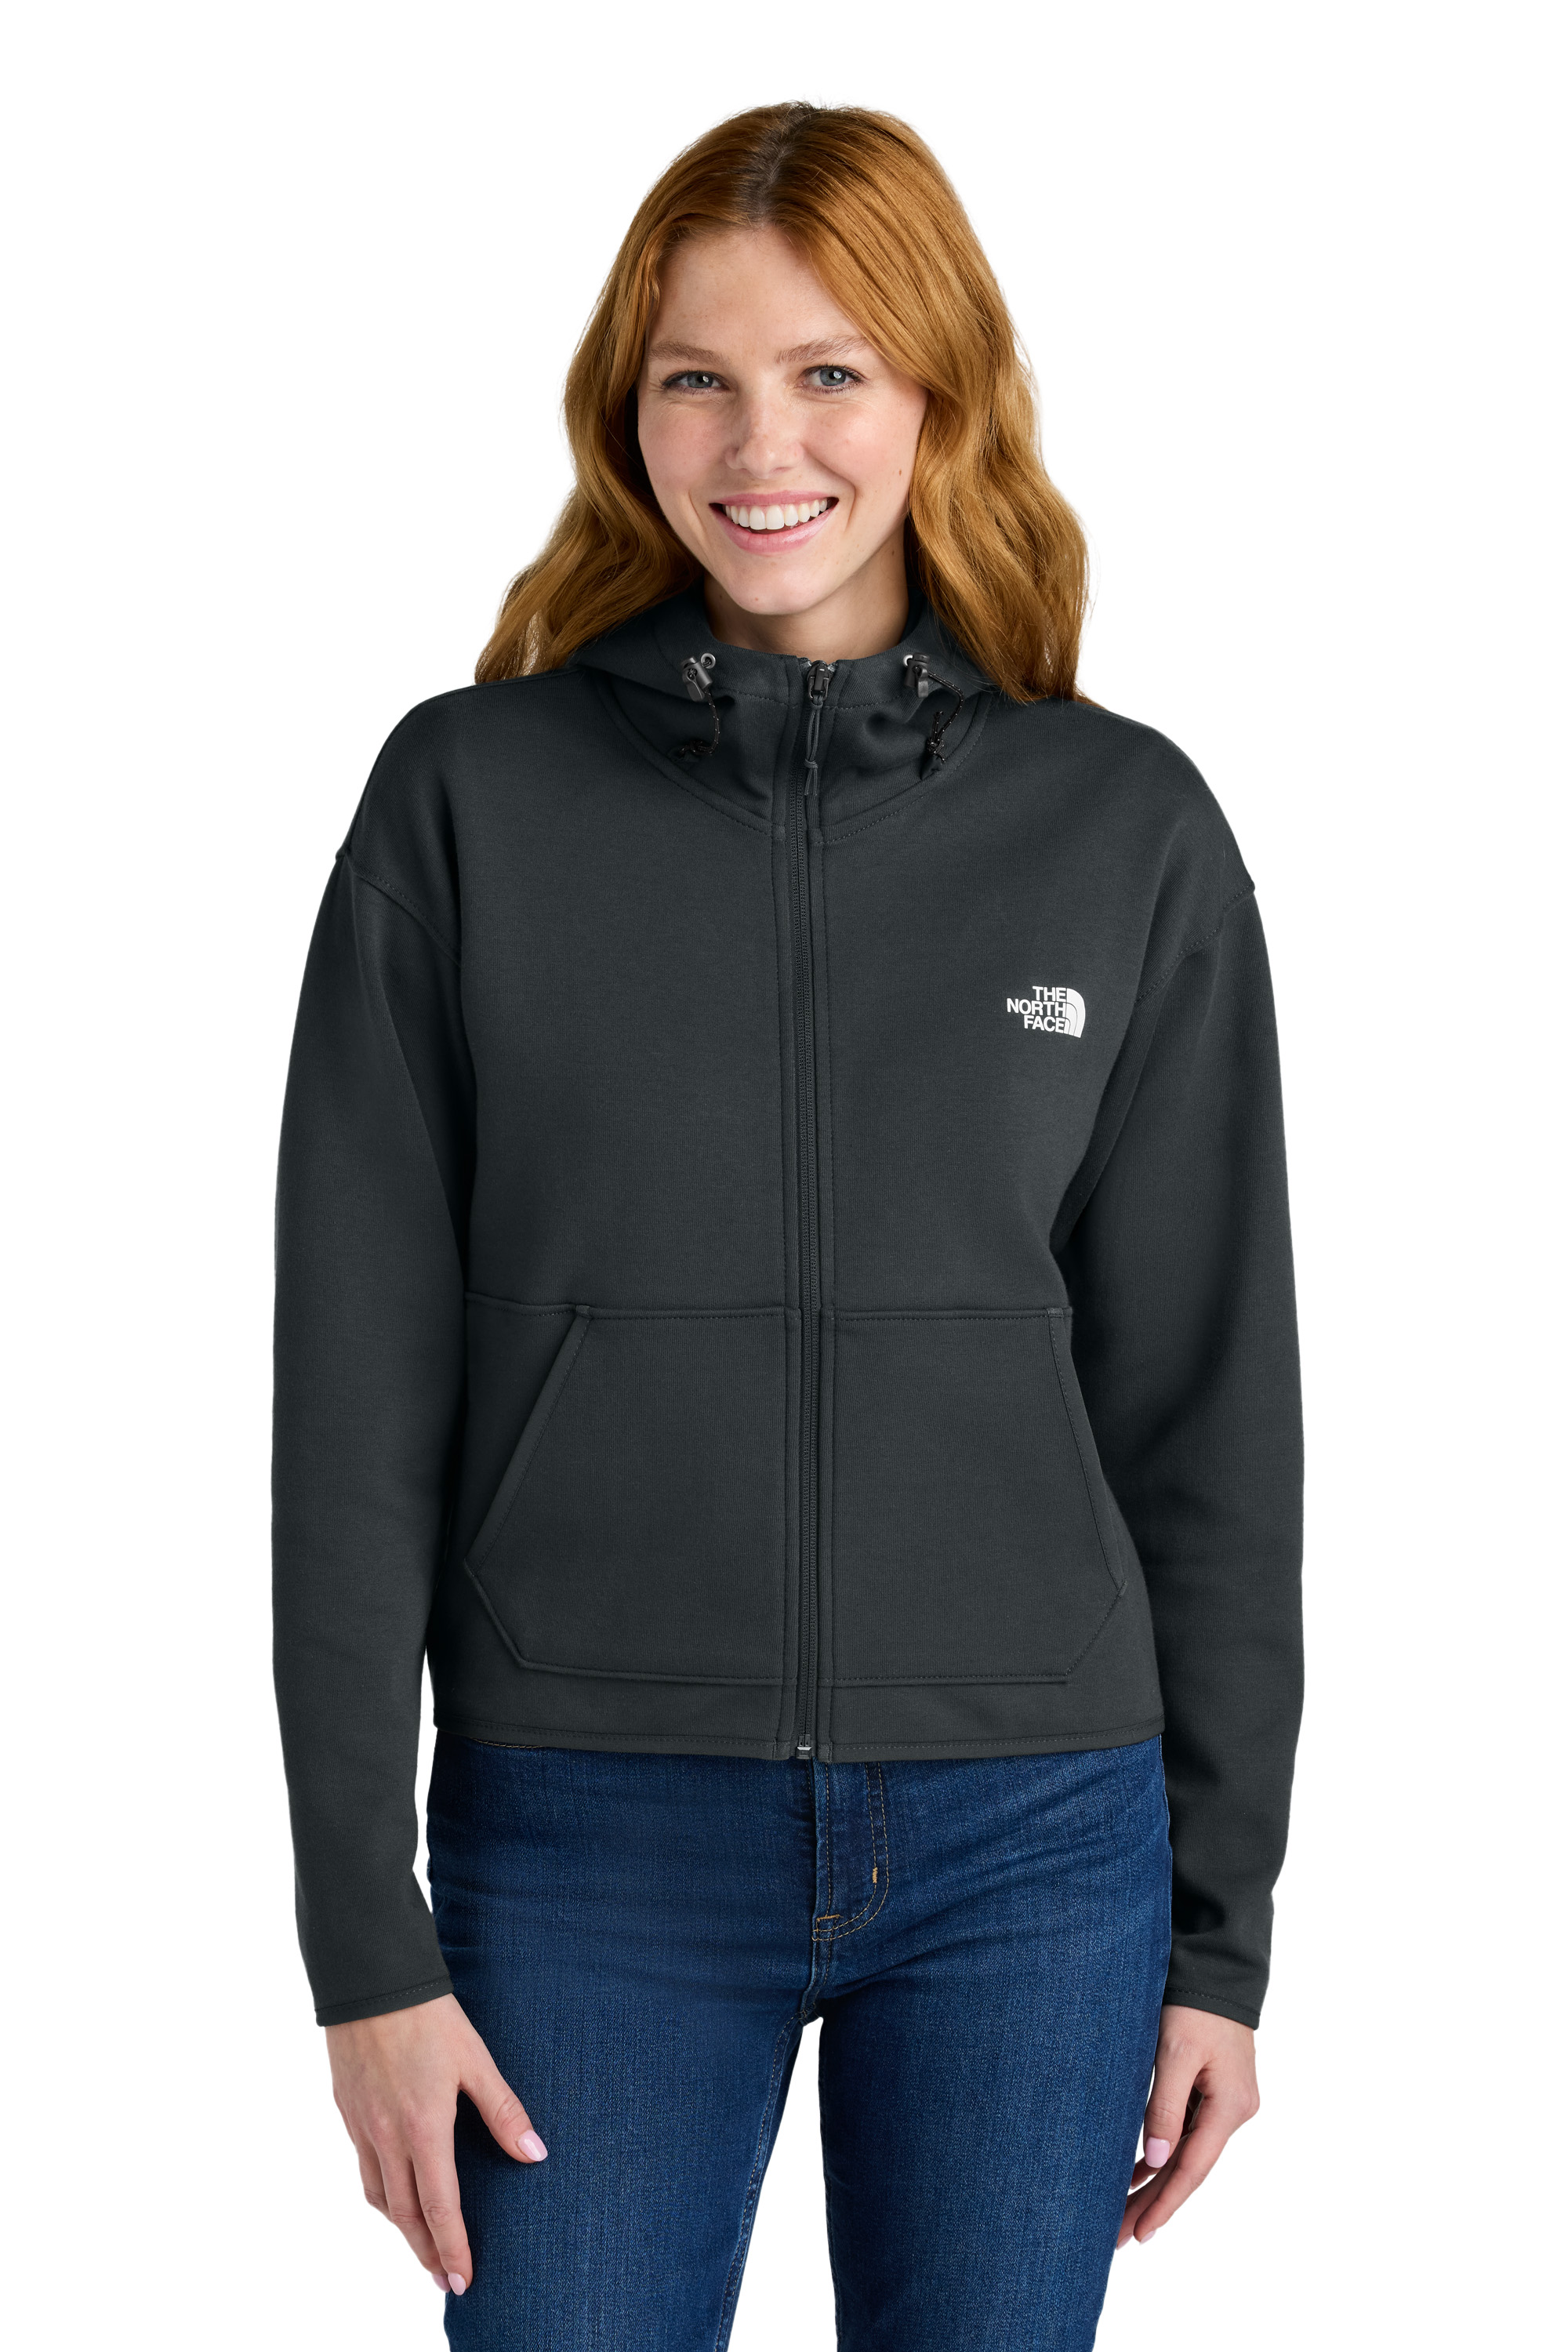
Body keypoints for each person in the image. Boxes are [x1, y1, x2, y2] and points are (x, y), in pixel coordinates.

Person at [272, 100, 1303, 2351]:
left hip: (1036, 1847)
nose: (763, 445)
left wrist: (1219, 1937)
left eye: (830, 371)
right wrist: (366, 1946)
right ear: (625, 411)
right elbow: (350, 1409)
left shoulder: (1123, 831)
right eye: (698, 379)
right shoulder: (465, 803)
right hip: (585, 1841)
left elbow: (1210, 1414)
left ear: (939, 396)